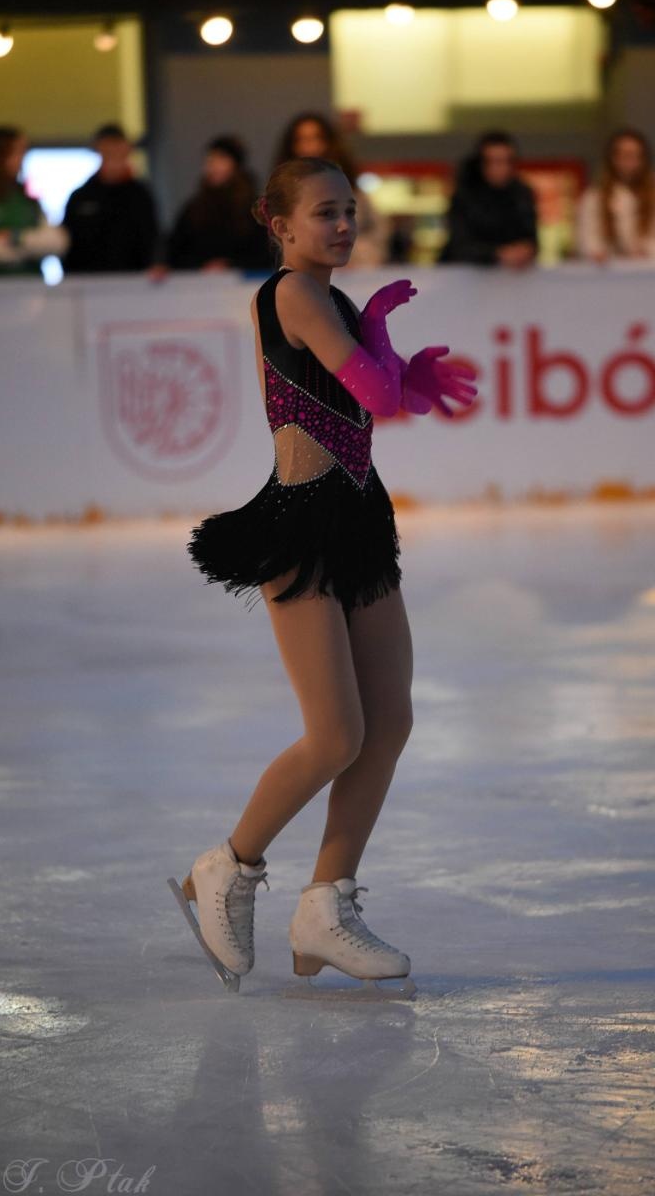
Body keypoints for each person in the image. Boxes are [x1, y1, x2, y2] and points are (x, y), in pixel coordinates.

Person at [169, 156, 477, 994]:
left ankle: (324, 907)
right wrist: (381, 342)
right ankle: (226, 866)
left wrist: (392, 355)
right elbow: (373, 393)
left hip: (358, 516)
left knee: (389, 720)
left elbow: (376, 394)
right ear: (280, 225)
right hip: (298, 525)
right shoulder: (293, 294)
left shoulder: (330, 299)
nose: (342, 225)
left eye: (349, 210)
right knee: (336, 734)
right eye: (324, 213)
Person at [273, 111, 390, 266]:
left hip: (352, 269)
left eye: (316, 138)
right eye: (301, 139)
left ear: (329, 142)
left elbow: (378, 231)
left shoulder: (351, 188)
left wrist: (359, 254)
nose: (310, 146)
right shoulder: (281, 194)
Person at [0, 125, 69, 279]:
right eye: (17, 152)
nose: (21, 159)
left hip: (32, 283)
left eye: (24, 152)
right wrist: (32, 251)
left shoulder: (28, 197)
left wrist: (14, 237)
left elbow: (58, 243)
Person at [162, 134, 270, 273]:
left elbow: (264, 252)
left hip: (245, 282)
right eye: (210, 160)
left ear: (235, 164)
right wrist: (199, 266)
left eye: (221, 159)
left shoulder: (253, 208)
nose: (213, 166)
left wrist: (231, 264)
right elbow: (175, 250)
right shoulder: (195, 208)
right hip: (198, 282)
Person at [575, 127, 655, 263]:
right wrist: (598, 252)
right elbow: (586, 239)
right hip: (611, 271)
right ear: (612, 158)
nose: (629, 162)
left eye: (635, 155)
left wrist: (649, 249)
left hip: (652, 269)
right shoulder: (594, 198)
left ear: (644, 159)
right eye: (624, 155)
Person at [62, 123, 160, 273]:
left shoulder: (140, 196)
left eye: (117, 149)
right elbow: (68, 244)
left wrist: (155, 263)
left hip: (133, 279)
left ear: (126, 150)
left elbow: (152, 240)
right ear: (99, 150)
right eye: (108, 151)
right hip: (89, 279)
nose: (113, 156)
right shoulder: (81, 197)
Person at [437, 130, 538, 269]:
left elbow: (531, 237)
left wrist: (526, 249)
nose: (502, 168)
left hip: (510, 276)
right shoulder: (464, 195)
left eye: (507, 161)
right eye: (495, 161)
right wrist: (497, 254)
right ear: (482, 164)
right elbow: (460, 245)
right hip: (464, 275)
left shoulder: (522, 194)